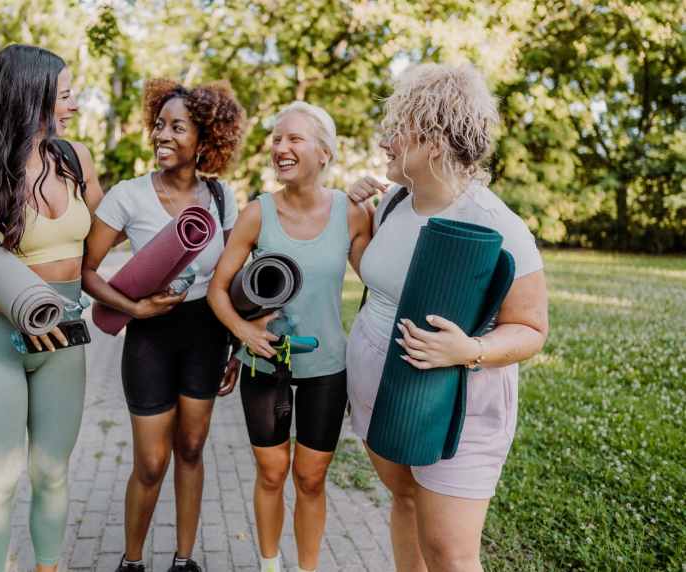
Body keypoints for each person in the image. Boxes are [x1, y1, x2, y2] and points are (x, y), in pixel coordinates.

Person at [345, 62, 549, 572]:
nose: (385, 142)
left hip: (459, 407)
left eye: (397, 130)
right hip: (384, 399)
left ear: (434, 141)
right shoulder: (393, 204)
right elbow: (379, 275)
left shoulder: (496, 224)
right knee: (405, 503)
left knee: (450, 556)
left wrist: (470, 351)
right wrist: (353, 215)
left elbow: (530, 329)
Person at [0, 45, 104, 572]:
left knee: (52, 471)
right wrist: (16, 308)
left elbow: (111, 227)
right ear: (32, 96)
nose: (75, 105)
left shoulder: (75, 159)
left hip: (63, 344)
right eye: (66, 95)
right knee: (0, 478)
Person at [81, 78, 246, 572]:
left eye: (178, 127)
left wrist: (237, 345)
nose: (163, 136)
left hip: (206, 334)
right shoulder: (128, 197)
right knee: (152, 462)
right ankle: (132, 562)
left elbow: (232, 276)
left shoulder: (221, 198)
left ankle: (183, 560)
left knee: (192, 449)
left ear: (206, 139)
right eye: (159, 125)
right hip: (150, 336)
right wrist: (133, 309)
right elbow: (87, 271)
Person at [207, 102, 372, 572]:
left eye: (293, 139)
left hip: (326, 367)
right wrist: (242, 331)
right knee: (273, 471)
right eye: (277, 139)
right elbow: (219, 290)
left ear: (324, 153)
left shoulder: (354, 212)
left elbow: (382, 277)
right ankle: (269, 565)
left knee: (312, 477)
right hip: (265, 361)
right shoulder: (259, 212)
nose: (281, 147)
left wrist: (386, 196)